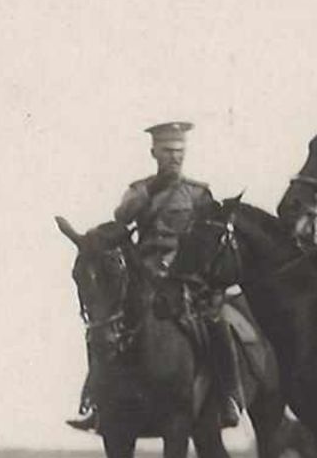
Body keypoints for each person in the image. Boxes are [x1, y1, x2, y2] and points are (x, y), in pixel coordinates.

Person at [69, 121, 243, 431]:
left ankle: (228, 396)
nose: (174, 158)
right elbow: (122, 215)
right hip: (146, 276)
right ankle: (96, 399)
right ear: (154, 152)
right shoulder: (139, 190)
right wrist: (152, 190)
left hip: (188, 279)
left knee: (217, 322)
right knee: (105, 324)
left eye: (179, 151)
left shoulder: (198, 193)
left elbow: (209, 237)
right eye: (167, 151)